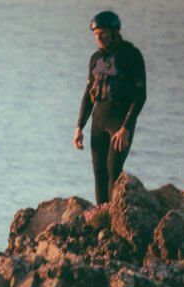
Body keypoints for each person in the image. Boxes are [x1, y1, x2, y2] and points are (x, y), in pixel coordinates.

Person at [73, 11, 147, 210]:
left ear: (114, 32)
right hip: (99, 120)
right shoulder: (95, 59)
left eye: (102, 32)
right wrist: (79, 127)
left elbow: (140, 95)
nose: (98, 37)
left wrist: (126, 127)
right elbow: (89, 94)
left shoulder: (131, 55)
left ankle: (116, 216)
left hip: (120, 123)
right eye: (95, 33)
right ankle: (103, 215)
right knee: (99, 173)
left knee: (114, 170)